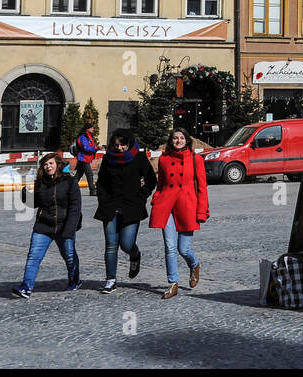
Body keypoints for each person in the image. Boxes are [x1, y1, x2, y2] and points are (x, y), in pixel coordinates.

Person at [149, 128, 210, 299]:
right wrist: (156, 199)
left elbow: (202, 188)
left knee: (183, 248)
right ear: (171, 141)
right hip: (166, 205)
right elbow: (160, 184)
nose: (178, 141)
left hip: (187, 206)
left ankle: (194, 264)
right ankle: (173, 283)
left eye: (182, 138)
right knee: (169, 247)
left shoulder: (195, 159)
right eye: (175, 138)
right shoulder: (164, 160)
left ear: (187, 140)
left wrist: (202, 210)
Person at [95, 129, 157, 294]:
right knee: (110, 245)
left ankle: (135, 255)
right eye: (116, 145)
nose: (120, 148)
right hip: (110, 207)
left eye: (123, 144)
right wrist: (102, 199)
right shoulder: (108, 158)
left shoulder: (138, 157)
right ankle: (110, 279)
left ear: (129, 143)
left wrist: (141, 196)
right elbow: (101, 182)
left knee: (126, 244)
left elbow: (152, 180)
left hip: (131, 206)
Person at [12, 152, 82, 298]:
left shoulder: (70, 181)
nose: (48, 166)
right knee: (33, 256)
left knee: (69, 256)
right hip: (43, 226)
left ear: (57, 164)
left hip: (64, 226)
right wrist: (25, 194)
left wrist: (69, 229)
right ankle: (26, 287)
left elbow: (75, 207)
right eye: (45, 164)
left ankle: (74, 280)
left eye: (50, 163)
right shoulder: (42, 182)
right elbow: (35, 203)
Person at [73, 123, 99, 196]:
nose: (93, 129)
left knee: (79, 174)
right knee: (89, 174)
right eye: (91, 128)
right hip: (83, 158)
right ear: (87, 129)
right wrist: (95, 149)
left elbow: (91, 146)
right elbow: (85, 147)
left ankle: (70, 188)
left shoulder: (89, 137)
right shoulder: (83, 137)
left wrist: (96, 148)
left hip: (85, 158)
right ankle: (92, 190)